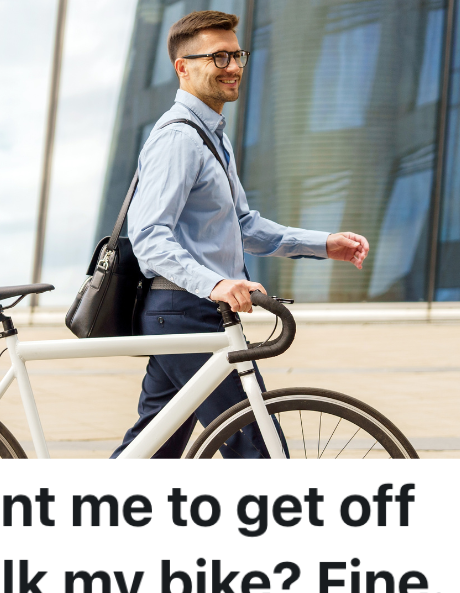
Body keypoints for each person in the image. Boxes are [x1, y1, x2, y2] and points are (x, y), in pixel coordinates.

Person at [110, 10, 370, 459]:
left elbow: (243, 225)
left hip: (186, 312)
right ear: (183, 67)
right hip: (185, 310)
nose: (233, 66)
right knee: (258, 452)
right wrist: (216, 283)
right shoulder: (180, 139)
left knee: (152, 456)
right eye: (219, 57)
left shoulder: (212, 136)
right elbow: (149, 235)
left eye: (237, 55)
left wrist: (323, 243)